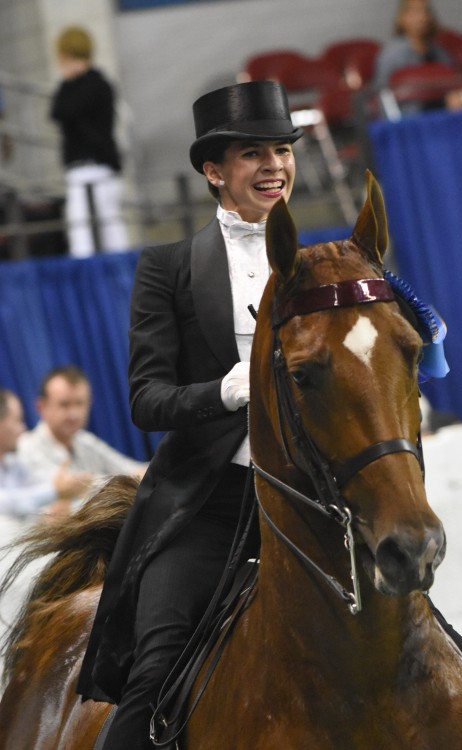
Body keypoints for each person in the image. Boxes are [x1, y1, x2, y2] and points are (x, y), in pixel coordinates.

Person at [76, 80, 303, 749]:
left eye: (282, 151)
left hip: (311, 503)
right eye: (253, 154)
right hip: (209, 504)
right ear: (214, 170)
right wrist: (226, 391)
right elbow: (145, 401)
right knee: (154, 682)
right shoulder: (167, 268)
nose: (274, 166)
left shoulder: (320, 266)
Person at [50, 26, 130, 258]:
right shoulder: (71, 87)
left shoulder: (96, 84)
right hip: (80, 166)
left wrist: (70, 83)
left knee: (108, 227)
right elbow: (57, 111)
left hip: (99, 164)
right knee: (81, 229)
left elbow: (68, 110)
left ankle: (118, 277)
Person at [17, 365, 147, 503]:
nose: (73, 414)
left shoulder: (85, 440)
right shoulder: (26, 447)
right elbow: (73, 489)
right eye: (64, 405)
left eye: (79, 404)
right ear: (41, 407)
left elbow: (131, 469)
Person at [0, 387, 88, 518]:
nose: (22, 429)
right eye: (17, 420)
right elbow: (11, 504)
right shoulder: (26, 449)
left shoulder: (12, 464)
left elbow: (32, 493)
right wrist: (56, 490)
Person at [373, 0, 459, 113]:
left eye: (426, 11)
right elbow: (381, 94)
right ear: (402, 18)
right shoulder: (392, 54)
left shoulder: (439, 51)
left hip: (442, 115)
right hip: (410, 118)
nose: (422, 17)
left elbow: (453, 84)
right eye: (415, 12)